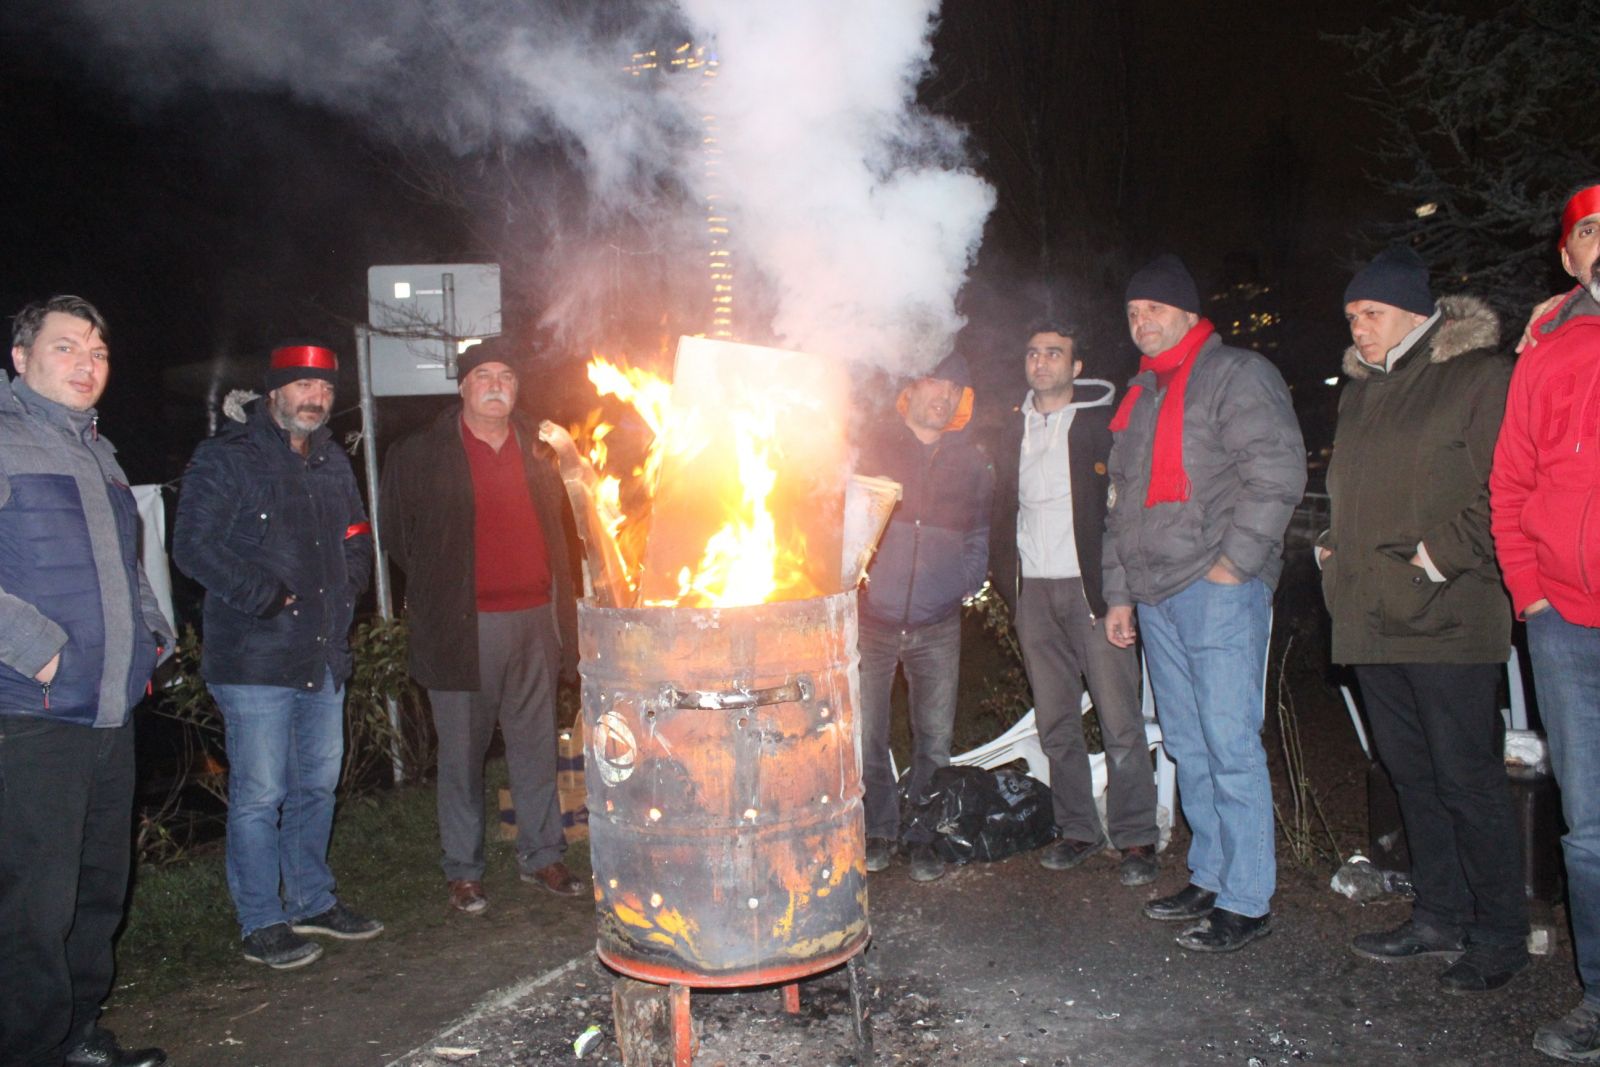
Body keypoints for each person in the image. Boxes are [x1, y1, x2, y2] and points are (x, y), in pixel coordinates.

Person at [1321, 246, 1527, 992]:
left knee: (1467, 778)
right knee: (1410, 773)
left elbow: (1503, 488)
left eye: (1370, 314)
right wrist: (1329, 548)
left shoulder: (1478, 376)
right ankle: (1438, 914)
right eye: (1351, 317)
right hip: (1372, 615)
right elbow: (1354, 494)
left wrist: (1436, 560)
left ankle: (1500, 932)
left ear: (1416, 312)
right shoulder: (1364, 390)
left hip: (1448, 615)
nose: (1359, 329)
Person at [1103, 254, 1305, 953]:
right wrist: (1120, 593)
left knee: (1228, 741)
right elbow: (1120, 506)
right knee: (1188, 745)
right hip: (1156, 595)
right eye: (1132, 312)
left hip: (1216, 589)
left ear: (1189, 312)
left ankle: (1247, 898)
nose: (1141, 321)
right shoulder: (1142, 393)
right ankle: (1210, 872)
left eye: (1154, 308)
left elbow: (1278, 472)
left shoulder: (1236, 375)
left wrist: (1233, 565)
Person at [0, 296, 172, 1067]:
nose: (86, 365)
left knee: (100, 887)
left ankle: (77, 1033)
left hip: (109, 709)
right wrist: (37, 649)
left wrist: (153, 635)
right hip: (31, 714)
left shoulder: (101, 454)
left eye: (98, 353)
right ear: (20, 357)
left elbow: (125, 569)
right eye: (66, 348)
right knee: (34, 903)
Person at [173, 341, 380, 970]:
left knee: (316, 785)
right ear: (274, 393)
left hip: (322, 654)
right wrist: (266, 596)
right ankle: (260, 918)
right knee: (261, 793)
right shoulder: (227, 456)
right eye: (303, 388)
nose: (315, 399)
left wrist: (348, 585)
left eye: (324, 391)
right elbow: (192, 546)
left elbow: (355, 535)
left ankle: (311, 901)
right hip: (254, 660)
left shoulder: (332, 463)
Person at [380, 337, 581, 914]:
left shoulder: (542, 449)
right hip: (464, 628)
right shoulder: (422, 452)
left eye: (507, 376)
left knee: (535, 745)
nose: (496, 385)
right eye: (484, 375)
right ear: (463, 385)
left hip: (536, 620)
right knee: (462, 755)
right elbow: (398, 533)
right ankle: (464, 871)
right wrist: (445, 587)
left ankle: (543, 854)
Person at [990, 320, 1159, 886]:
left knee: (1120, 718)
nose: (1042, 363)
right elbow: (998, 513)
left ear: (1076, 367)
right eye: (1034, 353)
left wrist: (1121, 595)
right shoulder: (1009, 432)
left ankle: (1136, 837)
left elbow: (1122, 513)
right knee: (1056, 720)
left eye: (1055, 354)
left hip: (1092, 591)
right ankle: (1078, 830)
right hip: (1033, 592)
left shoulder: (1098, 429)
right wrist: (1005, 586)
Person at [1491, 180, 1600, 1061]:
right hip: (1566, 621)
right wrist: (1531, 597)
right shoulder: (1548, 354)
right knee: (1591, 824)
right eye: (1589, 232)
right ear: (1568, 256)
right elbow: (1510, 485)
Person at [856, 352, 994, 883]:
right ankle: (877, 829)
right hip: (873, 618)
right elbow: (843, 515)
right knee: (867, 733)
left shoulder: (971, 460)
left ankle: (925, 834)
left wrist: (963, 580)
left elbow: (980, 530)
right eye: (935, 382)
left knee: (934, 737)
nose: (944, 395)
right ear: (911, 389)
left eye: (955, 387)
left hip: (937, 621)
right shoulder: (875, 446)